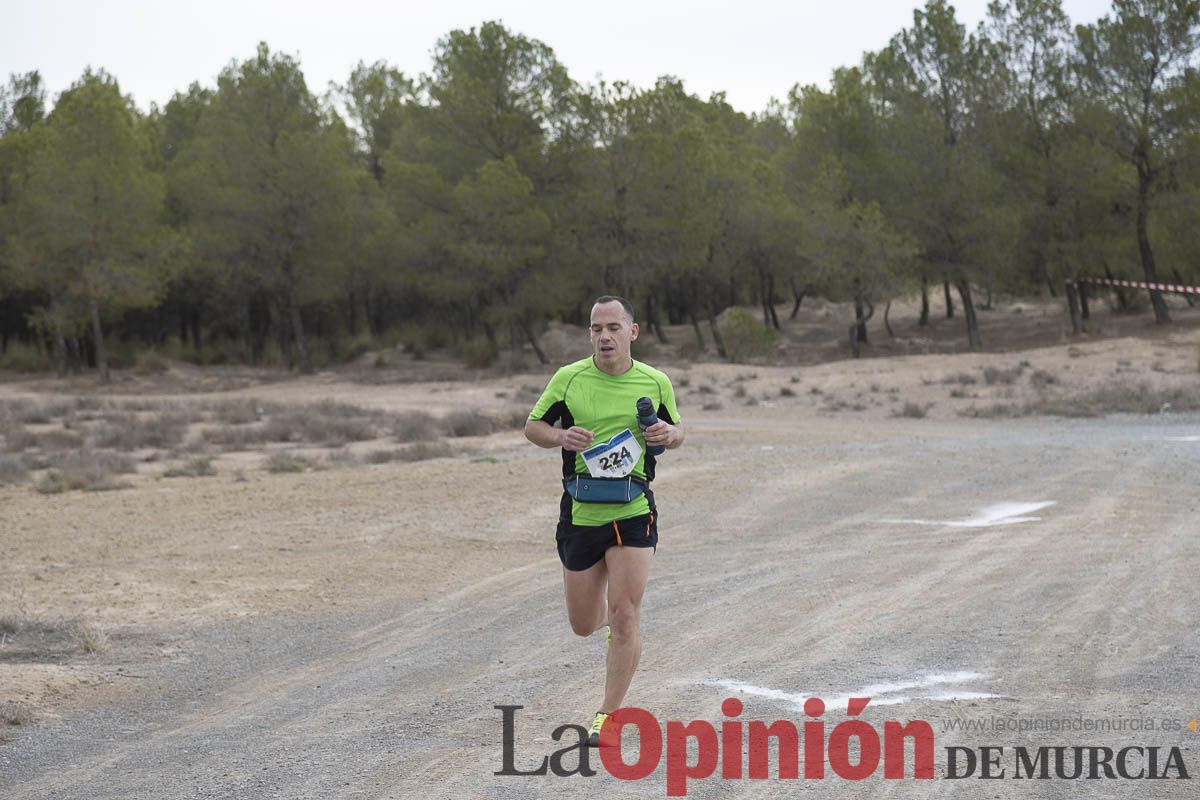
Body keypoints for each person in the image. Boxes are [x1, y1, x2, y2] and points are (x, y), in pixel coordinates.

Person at [525, 295, 684, 746]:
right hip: (581, 511)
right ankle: (610, 631)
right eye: (596, 329)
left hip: (633, 510)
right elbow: (532, 426)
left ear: (633, 332)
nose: (604, 336)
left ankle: (607, 717)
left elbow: (677, 431)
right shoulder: (569, 379)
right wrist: (560, 435)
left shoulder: (654, 382)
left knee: (626, 614)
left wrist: (668, 434)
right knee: (582, 623)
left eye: (614, 327)